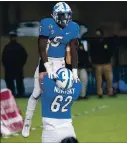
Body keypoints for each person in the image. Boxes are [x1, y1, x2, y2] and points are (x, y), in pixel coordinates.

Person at [22, 2, 80, 137]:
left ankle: (60, 123)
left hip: (61, 63)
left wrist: (74, 71)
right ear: (54, 15)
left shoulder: (73, 27)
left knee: (62, 91)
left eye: (67, 16)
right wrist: (47, 67)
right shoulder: (47, 24)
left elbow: (74, 50)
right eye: (62, 15)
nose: (65, 19)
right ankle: (27, 122)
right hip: (47, 60)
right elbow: (42, 48)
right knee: (36, 93)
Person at [25, 68, 82, 143]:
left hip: (50, 130)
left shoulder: (49, 87)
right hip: (69, 130)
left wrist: (53, 74)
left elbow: (41, 75)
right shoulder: (76, 89)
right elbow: (77, 82)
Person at [89, 28, 114, 98]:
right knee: (99, 79)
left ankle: (110, 91)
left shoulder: (107, 42)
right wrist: (93, 62)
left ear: (102, 35)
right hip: (98, 64)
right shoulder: (94, 43)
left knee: (109, 78)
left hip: (107, 63)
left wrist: (109, 60)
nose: (98, 35)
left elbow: (110, 52)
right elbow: (91, 53)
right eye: (97, 34)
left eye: (99, 34)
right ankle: (99, 93)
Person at [2, 32, 28, 97]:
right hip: (11, 67)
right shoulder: (9, 47)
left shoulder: (16, 47)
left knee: (18, 81)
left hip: (16, 67)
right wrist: (6, 65)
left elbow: (25, 56)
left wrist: (21, 64)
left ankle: (19, 93)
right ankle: (13, 94)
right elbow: (3, 58)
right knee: (11, 81)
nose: (13, 38)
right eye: (12, 37)